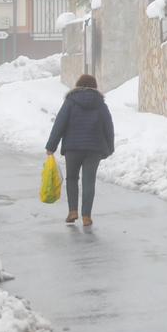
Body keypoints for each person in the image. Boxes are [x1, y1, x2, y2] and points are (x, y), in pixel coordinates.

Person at [45, 74, 115, 227]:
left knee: (72, 179)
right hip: (94, 148)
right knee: (89, 181)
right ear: (94, 86)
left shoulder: (70, 102)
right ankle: (86, 216)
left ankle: (72, 211)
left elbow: (59, 124)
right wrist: (109, 148)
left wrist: (51, 146)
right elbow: (108, 127)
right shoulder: (100, 104)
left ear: (77, 85)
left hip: (73, 148)